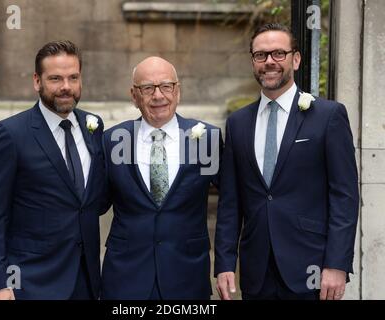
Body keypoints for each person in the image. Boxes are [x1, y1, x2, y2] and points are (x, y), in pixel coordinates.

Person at [215, 23, 359, 300]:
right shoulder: (237, 123)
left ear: (295, 59)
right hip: (256, 271)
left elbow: (344, 195)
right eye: (261, 55)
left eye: (278, 53)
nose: (269, 62)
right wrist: (224, 263)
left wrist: (337, 264)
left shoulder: (328, 116)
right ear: (253, 62)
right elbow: (230, 202)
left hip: (312, 269)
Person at [0, 40, 107, 300]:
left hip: (87, 279)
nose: (66, 87)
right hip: (31, 282)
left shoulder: (94, 126)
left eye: (73, 77)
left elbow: (91, 199)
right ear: (37, 81)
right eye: (56, 78)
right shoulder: (10, 134)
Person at [100, 56, 222, 300]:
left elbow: (232, 203)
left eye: (166, 86)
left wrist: (226, 262)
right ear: (134, 96)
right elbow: (95, 202)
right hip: (126, 277)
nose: (158, 96)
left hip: (187, 274)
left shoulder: (207, 139)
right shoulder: (112, 139)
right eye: (147, 88)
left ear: (178, 91)